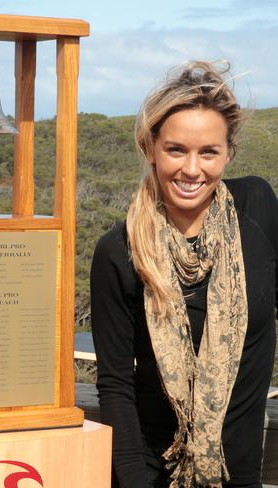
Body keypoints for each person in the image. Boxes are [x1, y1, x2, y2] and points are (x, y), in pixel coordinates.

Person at [90, 61, 277, 488]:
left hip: (239, 471)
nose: (191, 170)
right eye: (176, 150)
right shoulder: (120, 251)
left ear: (228, 153)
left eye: (208, 152)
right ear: (150, 147)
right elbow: (116, 386)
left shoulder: (259, 210)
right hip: (154, 474)